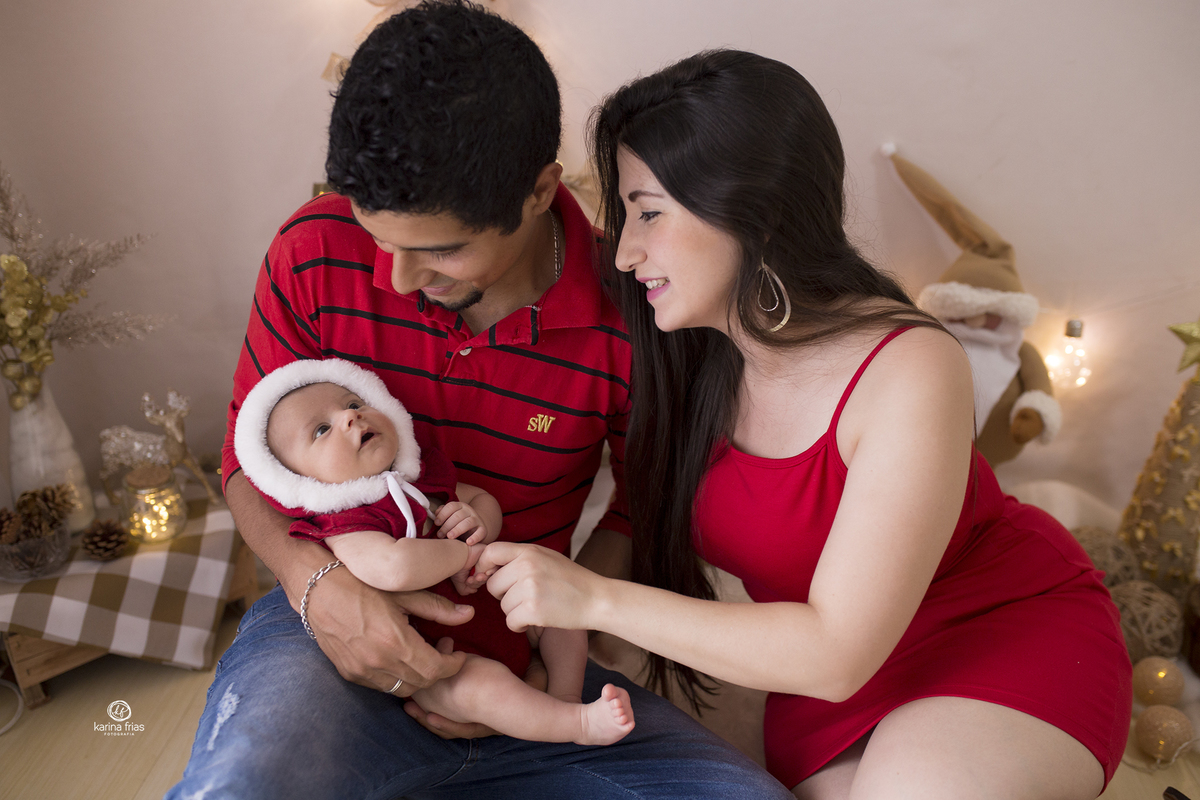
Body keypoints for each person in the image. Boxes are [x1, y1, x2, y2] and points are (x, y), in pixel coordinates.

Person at [167, 5, 793, 798]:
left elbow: (639, 512)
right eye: (379, 237)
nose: (397, 278)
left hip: (522, 659)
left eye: (441, 249)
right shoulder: (312, 252)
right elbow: (243, 457)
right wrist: (315, 586)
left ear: (539, 192)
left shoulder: (635, 310)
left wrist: (549, 642)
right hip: (327, 633)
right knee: (240, 786)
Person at [477, 50, 1132, 799]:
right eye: (625, 217)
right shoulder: (681, 350)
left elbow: (837, 651)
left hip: (992, 628)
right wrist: (537, 640)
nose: (625, 253)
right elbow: (630, 516)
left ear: (754, 211)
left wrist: (590, 597)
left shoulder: (909, 364)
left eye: (649, 213)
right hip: (809, 673)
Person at [234, 358, 635, 745]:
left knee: (563, 615)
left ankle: (564, 695)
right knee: (482, 689)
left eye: (353, 403)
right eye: (321, 429)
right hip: (444, 658)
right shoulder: (345, 522)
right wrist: (464, 555)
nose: (350, 417)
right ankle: (577, 725)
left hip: (501, 610)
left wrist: (476, 519)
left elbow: (481, 499)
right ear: (297, 480)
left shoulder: (421, 480)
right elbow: (394, 568)